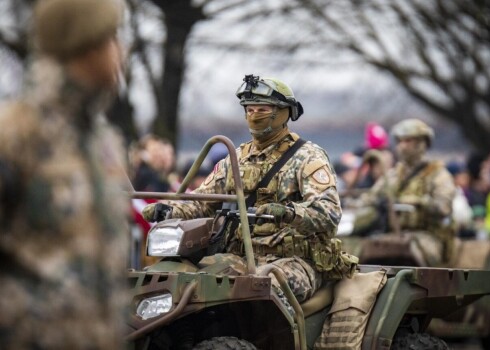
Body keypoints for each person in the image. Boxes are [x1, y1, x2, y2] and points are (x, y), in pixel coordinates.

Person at [143, 74, 356, 302]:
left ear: (284, 112)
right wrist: (168, 210)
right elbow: (202, 201)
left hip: (295, 261)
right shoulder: (236, 159)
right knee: (190, 286)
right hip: (240, 257)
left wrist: (289, 213)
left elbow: (329, 212)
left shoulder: (308, 157)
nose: (254, 115)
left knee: (260, 292)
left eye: (261, 109)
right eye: (249, 109)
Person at [0, 0, 130, 348]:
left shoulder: (104, 144)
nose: (122, 50)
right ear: (85, 45)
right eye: (111, 37)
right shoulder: (15, 136)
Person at [354, 118, 456, 265]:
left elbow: (443, 207)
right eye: (399, 141)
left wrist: (418, 202)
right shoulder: (394, 174)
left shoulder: (438, 175)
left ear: (422, 144)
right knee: (364, 250)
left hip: (428, 237)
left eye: (408, 141)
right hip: (395, 235)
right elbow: (371, 198)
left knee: (410, 253)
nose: (402, 146)